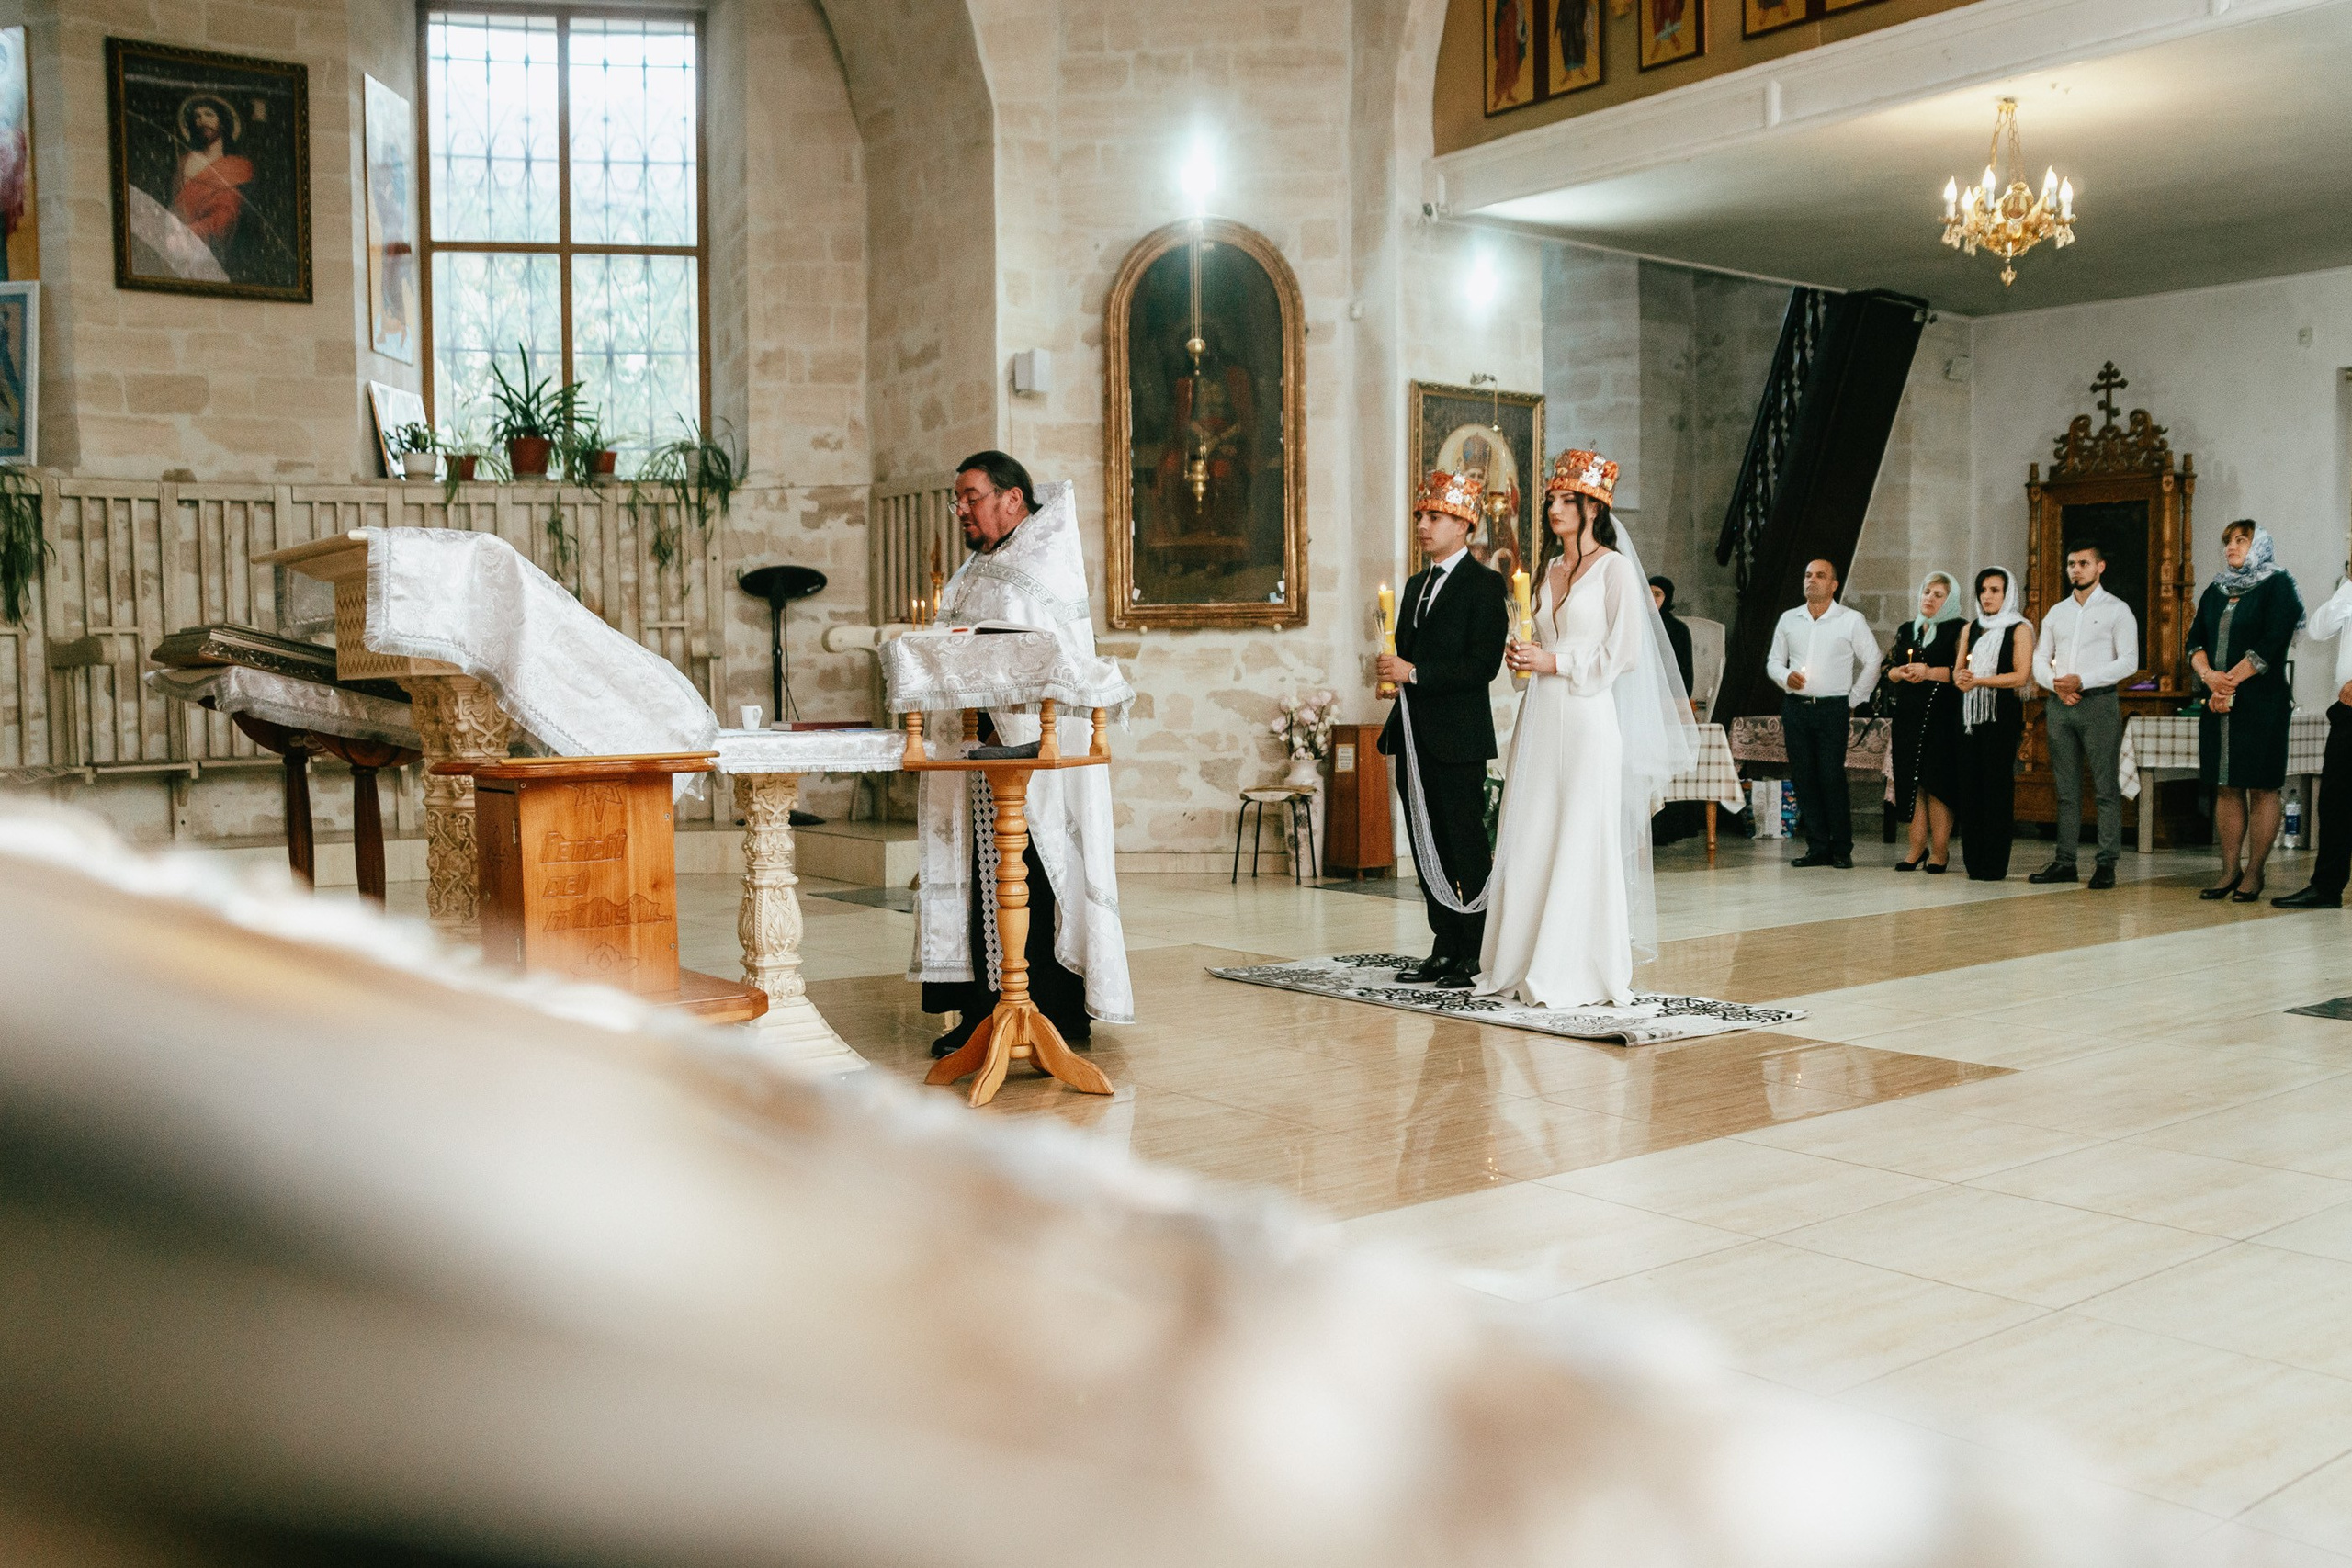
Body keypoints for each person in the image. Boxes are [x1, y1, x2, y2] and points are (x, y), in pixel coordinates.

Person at [916, 451, 1134, 1056]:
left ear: (1013, 498)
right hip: (979, 751)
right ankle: (984, 1008)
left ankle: (1052, 1011)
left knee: (1034, 877)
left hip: (1032, 757)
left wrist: (995, 717)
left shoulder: (1039, 566)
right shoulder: (978, 566)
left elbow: (1037, 656)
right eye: (957, 497)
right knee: (981, 880)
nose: (961, 508)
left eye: (972, 495)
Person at [1478, 449, 1695, 1008]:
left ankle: (1574, 966)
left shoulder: (1616, 570)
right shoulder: (1548, 571)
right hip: (1542, 715)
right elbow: (1541, 641)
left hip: (1587, 714)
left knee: (1580, 831)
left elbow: (1622, 652)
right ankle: (1520, 959)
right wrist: (1523, 657)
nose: (1554, 508)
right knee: (1533, 828)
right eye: (1551, 499)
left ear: (1592, 508)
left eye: (1566, 500)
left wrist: (1556, 663)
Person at [1378, 469, 1510, 988]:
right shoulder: (1414, 586)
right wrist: (1394, 675)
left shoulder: (1485, 584)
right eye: (1420, 517)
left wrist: (1414, 672)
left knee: (1463, 842)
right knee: (1422, 839)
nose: (1423, 526)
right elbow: (1409, 655)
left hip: (1457, 735)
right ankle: (1443, 942)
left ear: (1464, 524)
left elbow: (1482, 665)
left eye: (1434, 517)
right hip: (1412, 733)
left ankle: (1474, 949)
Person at [2189, 521, 2302, 903]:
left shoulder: (2278, 585)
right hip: (2218, 700)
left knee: (2262, 785)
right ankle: (2228, 870)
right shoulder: (2215, 590)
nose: (2231, 548)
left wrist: (2229, 681)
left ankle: (2254, 873)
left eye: (2241, 540)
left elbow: (2273, 641)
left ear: (2260, 546)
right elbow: (2194, 642)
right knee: (2226, 784)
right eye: (2227, 542)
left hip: (2262, 702)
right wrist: (2209, 676)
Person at [2029, 541, 2140, 890]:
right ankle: (2065, 862)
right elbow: (2039, 658)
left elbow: (2128, 661)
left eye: (2084, 563)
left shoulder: (2117, 610)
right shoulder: (2056, 612)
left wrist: (2084, 680)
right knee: (2066, 789)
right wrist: (2056, 685)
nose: (2076, 569)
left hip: (2098, 703)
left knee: (2105, 787)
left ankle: (2106, 863)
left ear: (2100, 567)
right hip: (2061, 705)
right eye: (2071, 564)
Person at [1764, 558, 1880, 868]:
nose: (1812, 580)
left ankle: (1841, 847)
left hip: (1832, 708)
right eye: (1807, 575)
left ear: (1834, 584)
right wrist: (1785, 676)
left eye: (1820, 575)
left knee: (1830, 776)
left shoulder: (1850, 619)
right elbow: (1774, 661)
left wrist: (1853, 697)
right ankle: (1817, 846)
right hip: (1796, 708)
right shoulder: (1790, 618)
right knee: (1803, 777)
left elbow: (1873, 659)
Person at [2275, 564, 2352, 908]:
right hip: (2348, 711)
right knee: (2335, 801)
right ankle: (2326, 887)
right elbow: (2319, 630)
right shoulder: (2348, 589)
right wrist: (2350, 584)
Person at [1953, 567, 2033, 882]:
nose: (1987, 596)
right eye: (1983, 590)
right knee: (1970, 789)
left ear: (2008, 593)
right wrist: (1961, 678)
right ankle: (1974, 862)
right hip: (1970, 719)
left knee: (1996, 790)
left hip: (2001, 717)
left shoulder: (2020, 629)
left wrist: (1980, 681)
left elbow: (2021, 675)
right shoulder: (1970, 628)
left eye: (1994, 590)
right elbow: (1959, 670)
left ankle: (1995, 864)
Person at [1883, 570, 1962, 874]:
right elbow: (1887, 669)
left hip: (1943, 715)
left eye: (1938, 594)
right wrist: (1899, 673)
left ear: (1950, 599)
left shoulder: (1958, 629)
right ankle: (1916, 848)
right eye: (1926, 592)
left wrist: (1928, 672)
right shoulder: (1908, 629)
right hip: (1909, 716)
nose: (1928, 598)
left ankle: (1940, 851)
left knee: (1936, 783)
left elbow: (1961, 672)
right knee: (1911, 783)